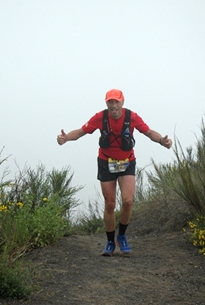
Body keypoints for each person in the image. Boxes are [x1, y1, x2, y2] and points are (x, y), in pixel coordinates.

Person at [56, 89, 172, 256]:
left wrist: (162, 141)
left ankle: (122, 237)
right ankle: (110, 242)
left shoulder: (132, 117)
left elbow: (148, 132)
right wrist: (66, 138)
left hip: (127, 162)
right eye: (110, 102)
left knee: (128, 201)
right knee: (110, 204)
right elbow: (81, 131)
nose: (113, 105)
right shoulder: (100, 118)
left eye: (116, 101)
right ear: (106, 103)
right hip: (106, 162)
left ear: (122, 102)